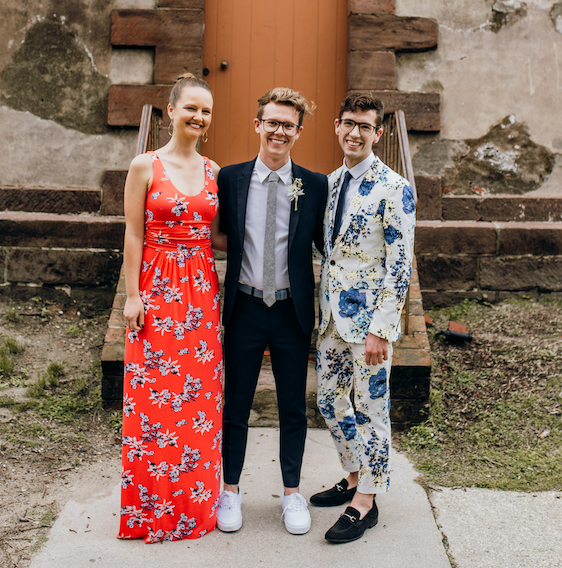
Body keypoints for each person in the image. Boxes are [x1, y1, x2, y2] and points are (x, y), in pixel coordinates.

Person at [118, 73, 226, 543]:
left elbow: (220, 236)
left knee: (198, 401)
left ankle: (193, 508)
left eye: (205, 111)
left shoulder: (215, 172)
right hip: (156, 289)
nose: (199, 117)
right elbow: (134, 234)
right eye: (191, 109)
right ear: (171, 111)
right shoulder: (144, 166)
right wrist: (132, 295)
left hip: (201, 292)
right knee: (154, 403)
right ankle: (151, 510)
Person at [216, 87, 328, 535]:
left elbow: (326, 244)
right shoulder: (230, 177)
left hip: (291, 310)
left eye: (288, 124)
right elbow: (214, 234)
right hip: (243, 305)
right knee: (236, 405)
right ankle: (230, 490)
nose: (279, 130)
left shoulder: (315, 184)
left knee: (292, 408)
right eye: (272, 122)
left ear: (298, 132)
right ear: (258, 125)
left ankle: (292, 493)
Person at [312, 93, 416, 544]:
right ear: (337, 126)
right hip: (330, 319)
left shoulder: (395, 187)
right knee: (329, 402)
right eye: (348, 124)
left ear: (378, 134)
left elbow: (400, 264)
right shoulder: (329, 182)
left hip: (369, 324)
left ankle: (367, 502)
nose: (355, 133)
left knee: (372, 411)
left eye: (365, 127)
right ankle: (354, 475)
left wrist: (382, 328)